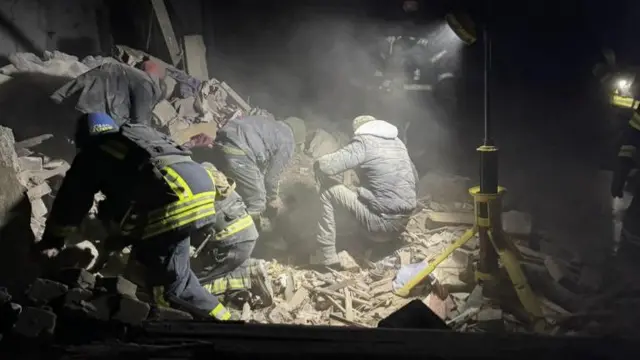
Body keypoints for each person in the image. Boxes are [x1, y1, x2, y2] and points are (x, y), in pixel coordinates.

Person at [32, 112, 234, 321]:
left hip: (174, 200)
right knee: (172, 269)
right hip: (197, 189)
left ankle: (204, 328)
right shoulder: (132, 142)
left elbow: (71, 202)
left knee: (163, 286)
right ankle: (223, 319)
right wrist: (117, 241)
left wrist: (52, 241)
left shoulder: (94, 152)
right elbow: (131, 202)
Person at [310, 115, 418, 268]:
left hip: (380, 226)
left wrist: (317, 164)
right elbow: (415, 180)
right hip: (402, 224)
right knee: (358, 192)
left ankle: (326, 255)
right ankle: (376, 242)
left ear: (359, 130)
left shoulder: (364, 142)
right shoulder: (398, 144)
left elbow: (327, 166)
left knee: (327, 191)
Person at [194, 162, 273, 308]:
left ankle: (249, 273)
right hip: (245, 234)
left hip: (229, 242)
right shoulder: (202, 172)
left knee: (189, 279)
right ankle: (246, 269)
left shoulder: (174, 188)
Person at [211, 114, 307, 225]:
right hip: (239, 153)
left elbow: (259, 168)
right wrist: (273, 198)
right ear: (298, 138)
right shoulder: (288, 141)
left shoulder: (268, 123)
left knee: (233, 184)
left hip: (220, 142)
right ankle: (241, 233)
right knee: (258, 201)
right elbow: (271, 178)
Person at [51, 60, 167, 126]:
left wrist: (60, 95)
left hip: (83, 104)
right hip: (102, 114)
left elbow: (84, 79)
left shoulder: (120, 68)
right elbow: (140, 121)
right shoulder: (147, 86)